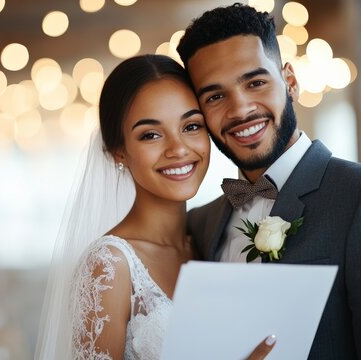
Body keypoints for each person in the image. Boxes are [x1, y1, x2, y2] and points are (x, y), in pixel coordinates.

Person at [177, 3, 361, 359]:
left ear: (291, 82)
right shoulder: (201, 222)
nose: (240, 110)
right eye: (216, 96)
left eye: (255, 82)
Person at [35, 54, 276, 359]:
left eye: (191, 126)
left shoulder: (209, 237)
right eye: (150, 134)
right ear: (117, 152)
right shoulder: (109, 266)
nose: (178, 149)